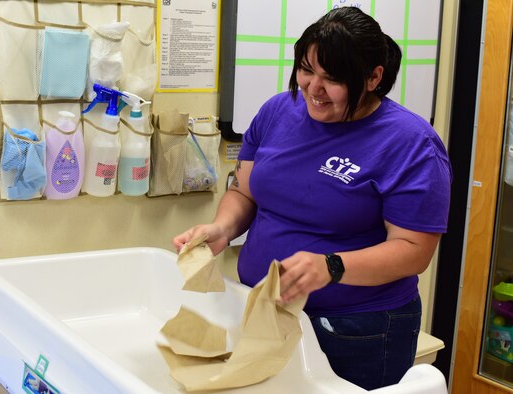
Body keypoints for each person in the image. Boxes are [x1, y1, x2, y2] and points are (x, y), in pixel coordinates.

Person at [173, 6, 451, 391]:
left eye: (333, 78)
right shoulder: (278, 111)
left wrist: (332, 267)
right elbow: (246, 192)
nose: (313, 88)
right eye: (306, 70)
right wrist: (223, 227)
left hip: (357, 329)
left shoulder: (410, 143)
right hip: (266, 311)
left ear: (373, 78)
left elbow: (413, 250)